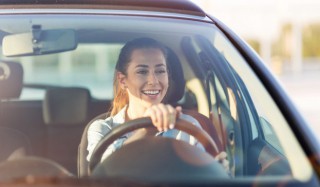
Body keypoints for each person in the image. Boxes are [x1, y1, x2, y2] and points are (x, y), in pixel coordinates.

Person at [86, 37, 229, 172]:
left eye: (160, 71)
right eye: (142, 71)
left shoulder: (189, 126)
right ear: (123, 80)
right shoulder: (102, 129)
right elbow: (102, 175)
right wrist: (147, 130)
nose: (153, 81)